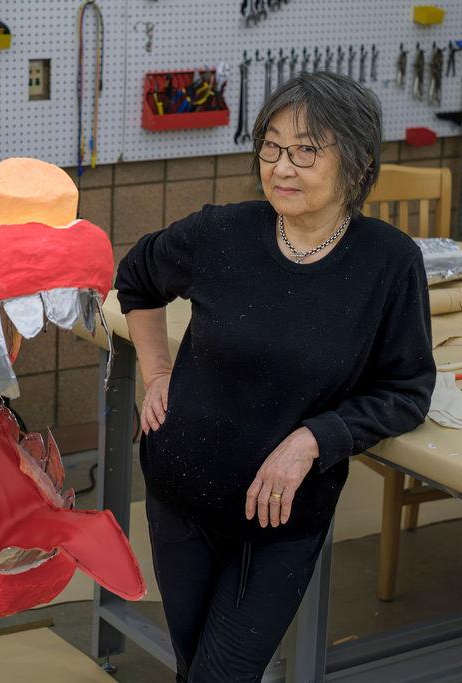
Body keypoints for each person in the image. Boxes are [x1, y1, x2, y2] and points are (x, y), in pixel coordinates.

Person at [114, 71, 437, 682]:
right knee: (192, 666)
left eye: (307, 151)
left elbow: (407, 391)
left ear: (358, 161)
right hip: (178, 493)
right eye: (271, 146)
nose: (282, 167)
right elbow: (136, 279)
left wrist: (313, 438)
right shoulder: (221, 234)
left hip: (281, 519)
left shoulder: (388, 264)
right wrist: (156, 370)